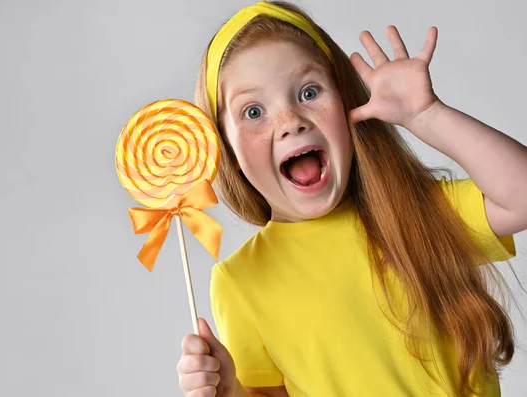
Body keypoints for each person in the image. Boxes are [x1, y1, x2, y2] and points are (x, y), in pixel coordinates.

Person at [175, 1, 526, 396]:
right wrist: (231, 392)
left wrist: (427, 115)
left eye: (309, 91)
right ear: (227, 150)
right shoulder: (240, 282)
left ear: (348, 106)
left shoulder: (415, 212)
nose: (290, 121)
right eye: (253, 111)